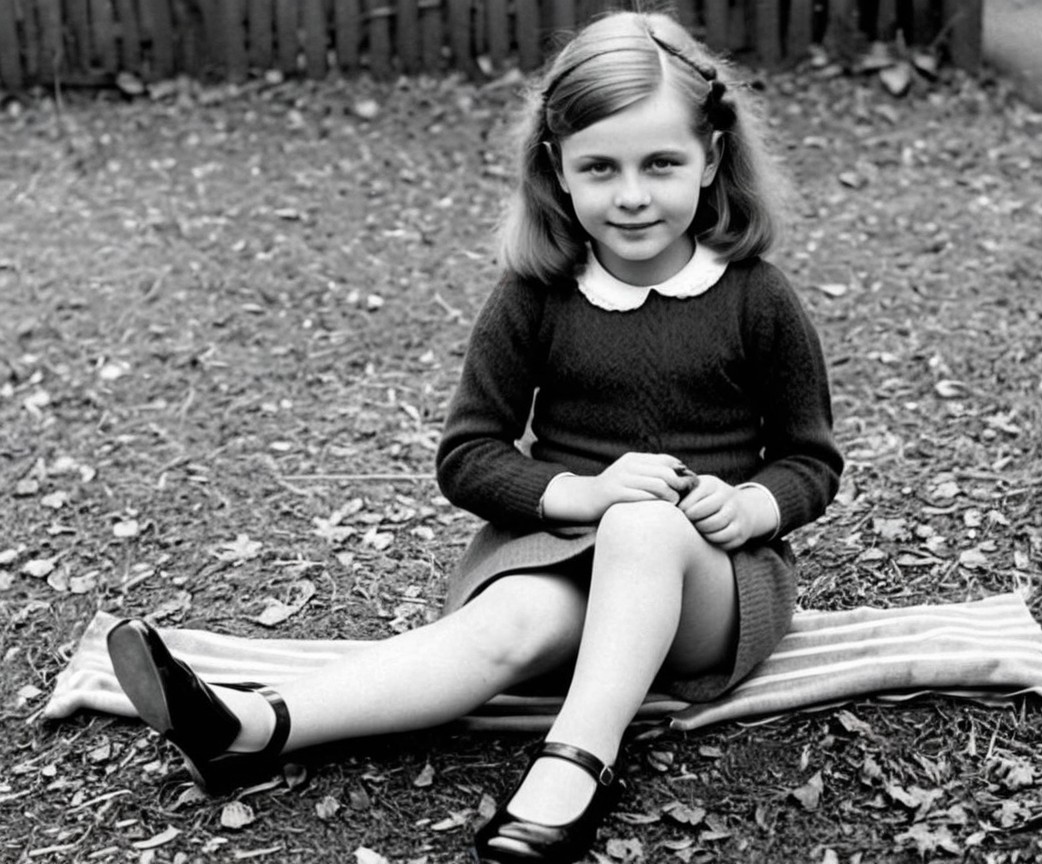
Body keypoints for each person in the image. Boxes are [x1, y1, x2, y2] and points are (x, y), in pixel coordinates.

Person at [105, 10, 842, 863]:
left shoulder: (755, 297)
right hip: (565, 560)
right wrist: (582, 494)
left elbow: (810, 459)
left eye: (661, 164)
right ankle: (250, 726)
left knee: (644, 526)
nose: (632, 195)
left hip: (714, 587)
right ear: (557, 170)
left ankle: (578, 759)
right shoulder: (536, 296)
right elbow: (468, 456)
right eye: (599, 167)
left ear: (710, 159)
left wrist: (750, 506)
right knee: (505, 627)